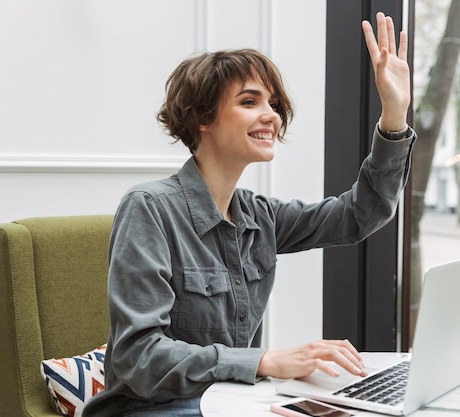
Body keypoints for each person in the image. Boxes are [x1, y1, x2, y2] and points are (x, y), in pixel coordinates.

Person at [83, 12, 416, 417]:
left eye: (273, 104)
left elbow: (360, 215)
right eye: (249, 101)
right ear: (203, 117)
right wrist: (263, 361)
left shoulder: (261, 216)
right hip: (150, 409)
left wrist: (394, 116)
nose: (271, 115)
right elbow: (139, 356)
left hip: (231, 401)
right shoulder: (149, 207)